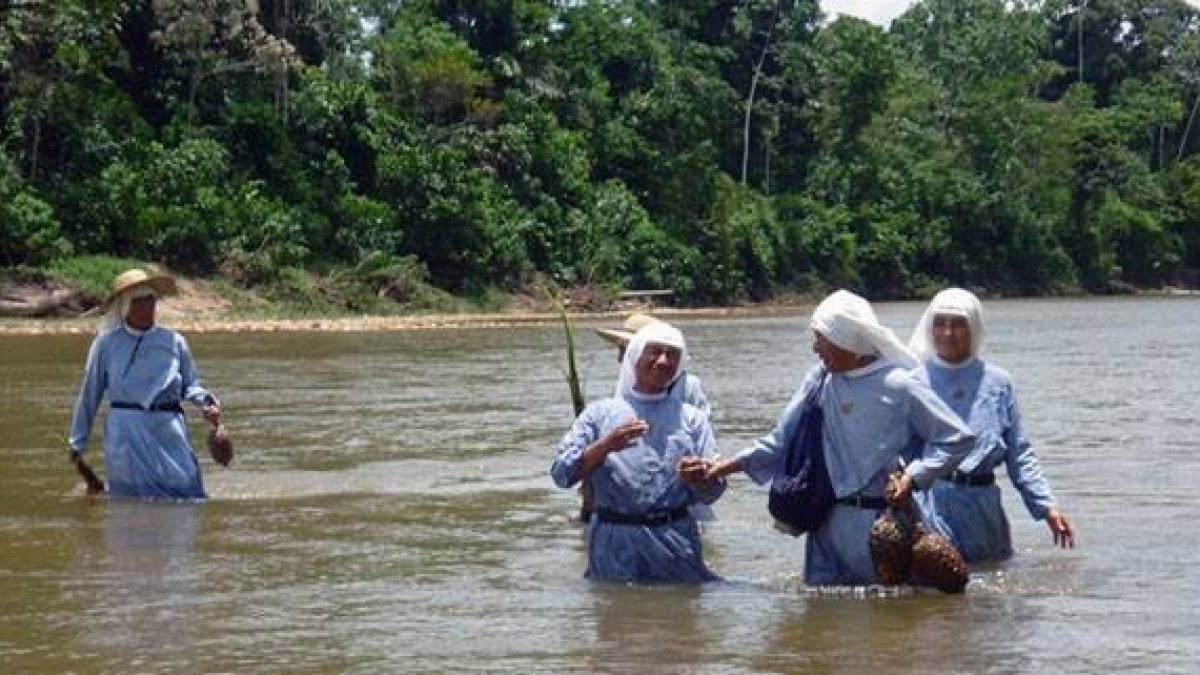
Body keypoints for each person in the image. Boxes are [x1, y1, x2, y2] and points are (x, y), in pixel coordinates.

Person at [706, 289, 976, 586]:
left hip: (883, 526)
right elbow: (779, 441)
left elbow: (957, 438)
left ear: (847, 339)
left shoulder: (900, 385)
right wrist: (721, 467)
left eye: (821, 338)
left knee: (889, 620)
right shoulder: (819, 380)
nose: (814, 348)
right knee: (823, 618)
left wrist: (914, 477)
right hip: (825, 522)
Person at [907, 288, 1075, 562]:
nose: (948, 333)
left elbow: (1019, 454)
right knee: (938, 587)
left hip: (983, 505)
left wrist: (1047, 507)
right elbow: (899, 453)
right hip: (932, 503)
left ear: (974, 328)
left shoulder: (998, 383)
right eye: (940, 323)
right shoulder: (913, 383)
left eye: (958, 324)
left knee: (987, 590)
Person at [551, 321, 726, 582]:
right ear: (635, 355)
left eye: (672, 355)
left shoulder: (693, 419)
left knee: (680, 616)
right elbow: (561, 475)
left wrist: (701, 477)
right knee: (615, 615)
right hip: (613, 542)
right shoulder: (599, 414)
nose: (663, 361)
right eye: (654, 351)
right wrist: (605, 446)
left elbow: (714, 492)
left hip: (675, 540)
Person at [67, 269, 223, 500]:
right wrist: (77, 443)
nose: (146, 307)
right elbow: (90, 394)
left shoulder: (174, 341)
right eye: (138, 301)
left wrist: (205, 402)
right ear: (124, 307)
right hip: (125, 431)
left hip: (167, 428)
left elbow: (190, 385)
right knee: (129, 500)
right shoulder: (106, 345)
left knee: (187, 493)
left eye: (149, 299)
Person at [587, 313, 714, 522]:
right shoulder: (626, 385)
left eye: (624, 348)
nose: (619, 356)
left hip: (678, 485)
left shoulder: (688, 386)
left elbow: (702, 439)